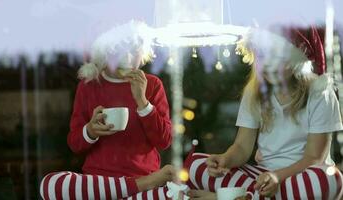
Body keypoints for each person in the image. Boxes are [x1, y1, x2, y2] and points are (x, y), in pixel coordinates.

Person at [185, 27, 343, 199]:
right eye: (261, 56)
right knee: (195, 165)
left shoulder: (320, 92)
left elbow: (314, 158)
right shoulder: (253, 93)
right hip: (262, 175)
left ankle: (228, 197)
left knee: (329, 178)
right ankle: (249, 196)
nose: (268, 64)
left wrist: (277, 177)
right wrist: (225, 159)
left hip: (302, 174)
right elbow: (242, 147)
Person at [40, 21, 173, 199]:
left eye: (134, 49)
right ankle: (137, 186)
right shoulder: (88, 86)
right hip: (100, 185)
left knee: (179, 193)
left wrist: (142, 101)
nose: (127, 58)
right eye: (118, 49)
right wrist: (90, 131)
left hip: (144, 180)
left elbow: (164, 141)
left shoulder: (152, 85)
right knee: (51, 184)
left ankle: (141, 185)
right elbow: (75, 143)